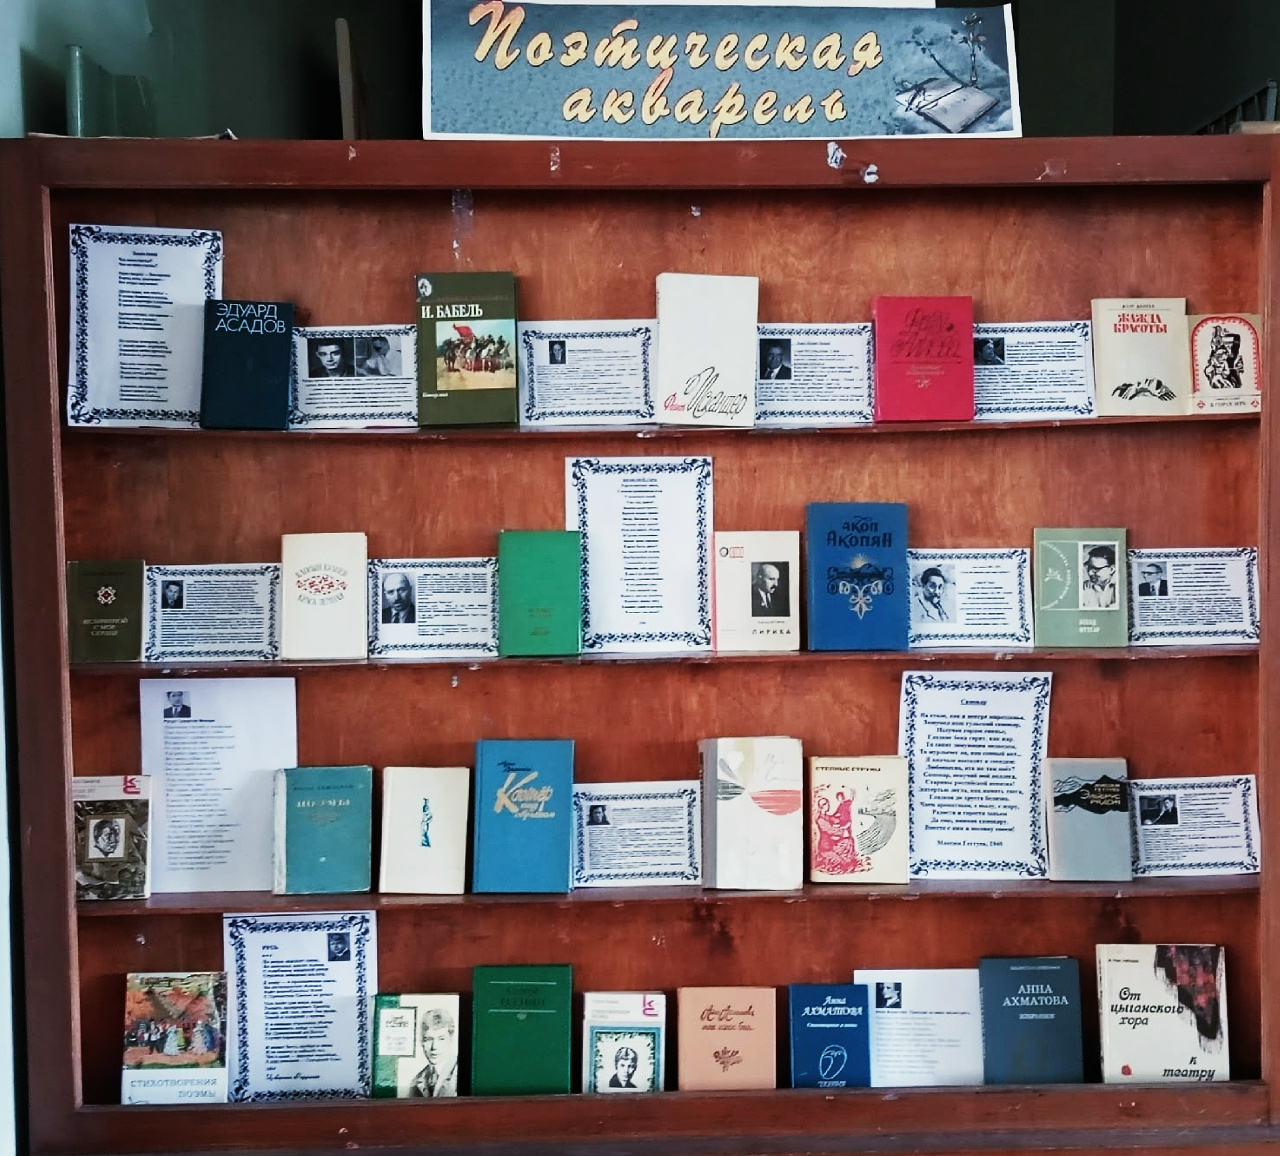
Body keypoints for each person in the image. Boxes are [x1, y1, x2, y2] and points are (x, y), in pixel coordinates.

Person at [408, 1007, 458, 1097]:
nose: (434, 1046)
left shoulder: (464, 1073)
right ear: (421, 1042)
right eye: (428, 1039)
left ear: (451, 1039)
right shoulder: (417, 1082)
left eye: (441, 1039)